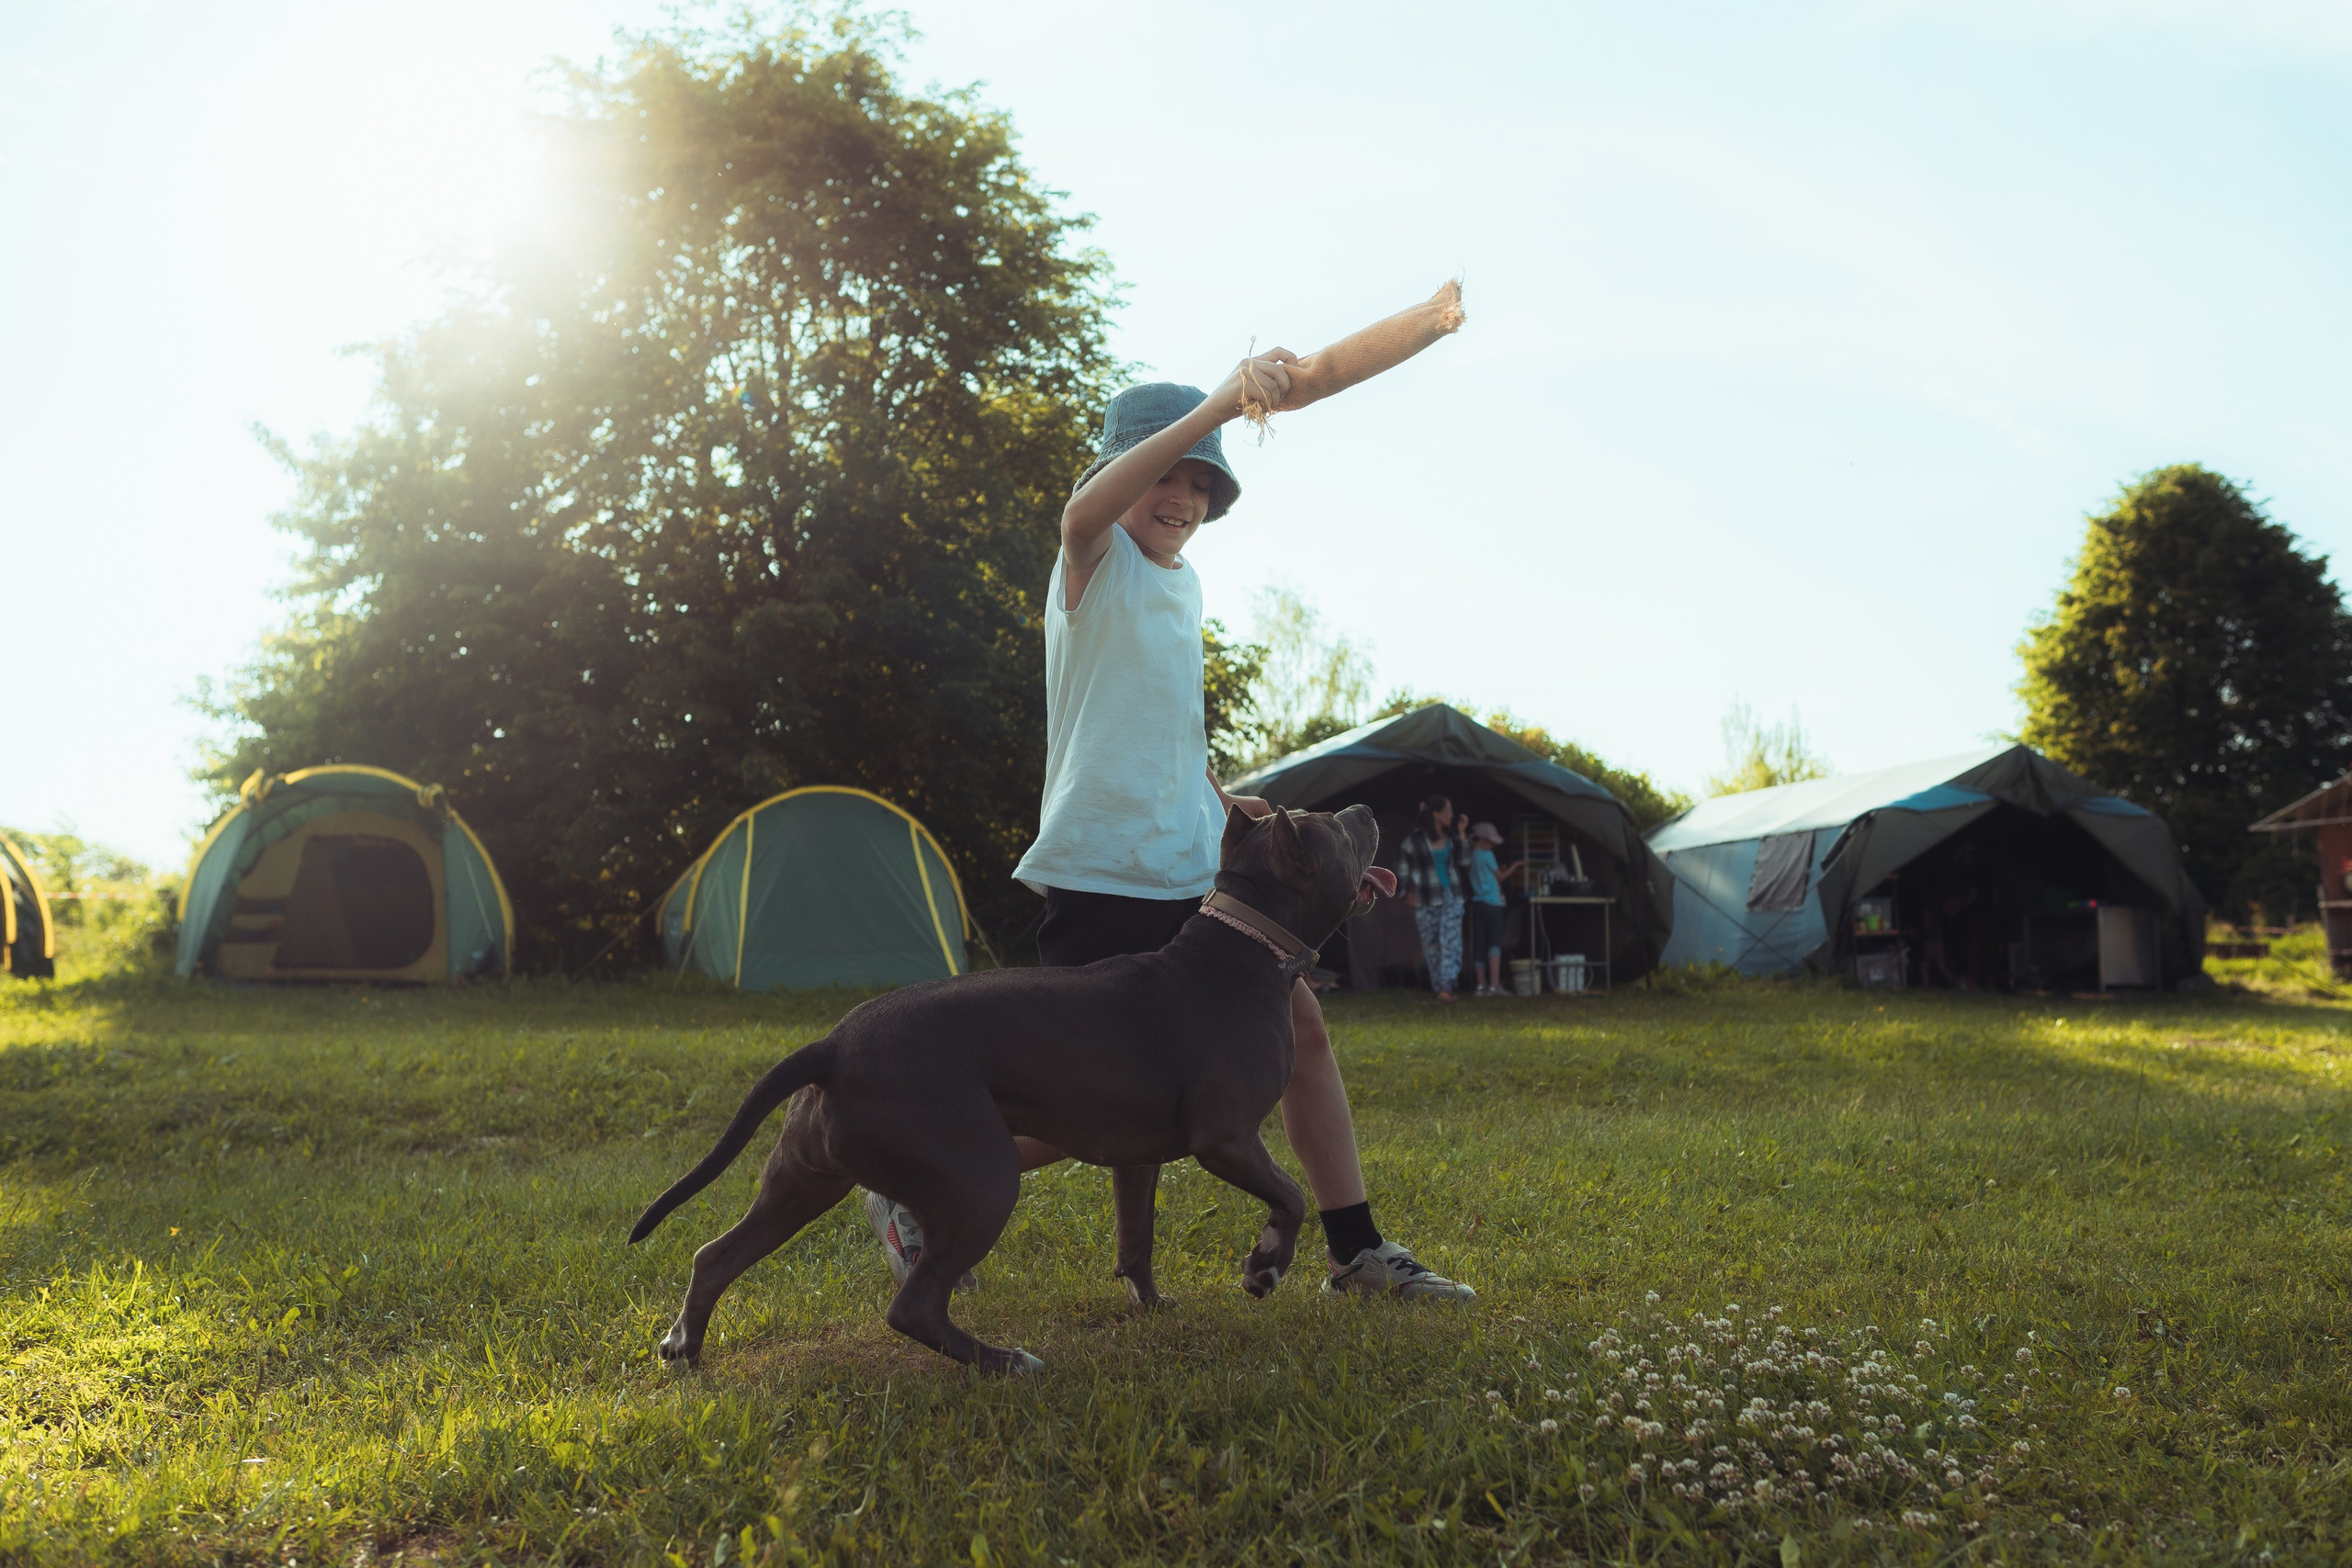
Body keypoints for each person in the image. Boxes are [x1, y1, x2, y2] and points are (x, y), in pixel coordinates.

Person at [866, 366, 1474, 1302]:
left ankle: (1353, 1249)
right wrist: (1221, 407)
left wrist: (1235, 811)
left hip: (1195, 874)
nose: (1184, 497)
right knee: (1090, 1101)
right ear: (1119, 472)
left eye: (1203, 484)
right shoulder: (1093, 557)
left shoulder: (1181, 587)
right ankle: (909, 1186)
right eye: (1169, 475)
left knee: (1298, 1033)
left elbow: (1169, 735)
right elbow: (1080, 514)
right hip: (1101, 869)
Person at [1396, 795, 1473, 1002]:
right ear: (1436, 814)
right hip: (1426, 899)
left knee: (1451, 941)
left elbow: (1465, 862)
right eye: (1449, 810)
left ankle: (1447, 986)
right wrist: (1403, 893)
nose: (1453, 814)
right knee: (1431, 945)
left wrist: (1463, 833)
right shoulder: (1415, 840)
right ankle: (1441, 988)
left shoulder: (1451, 838)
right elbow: (1402, 868)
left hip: (1452, 897)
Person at [1464, 821, 1523, 996]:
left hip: (1477, 903)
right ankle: (1495, 986)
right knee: (1495, 943)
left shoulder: (1470, 856)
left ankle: (1481, 986)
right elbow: (1501, 877)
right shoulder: (1488, 855)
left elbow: (1486, 878)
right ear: (1482, 840)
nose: (1492, 845)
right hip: (1492, 903)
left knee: (1480, 943)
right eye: (1490, 842)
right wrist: (1516, 866)